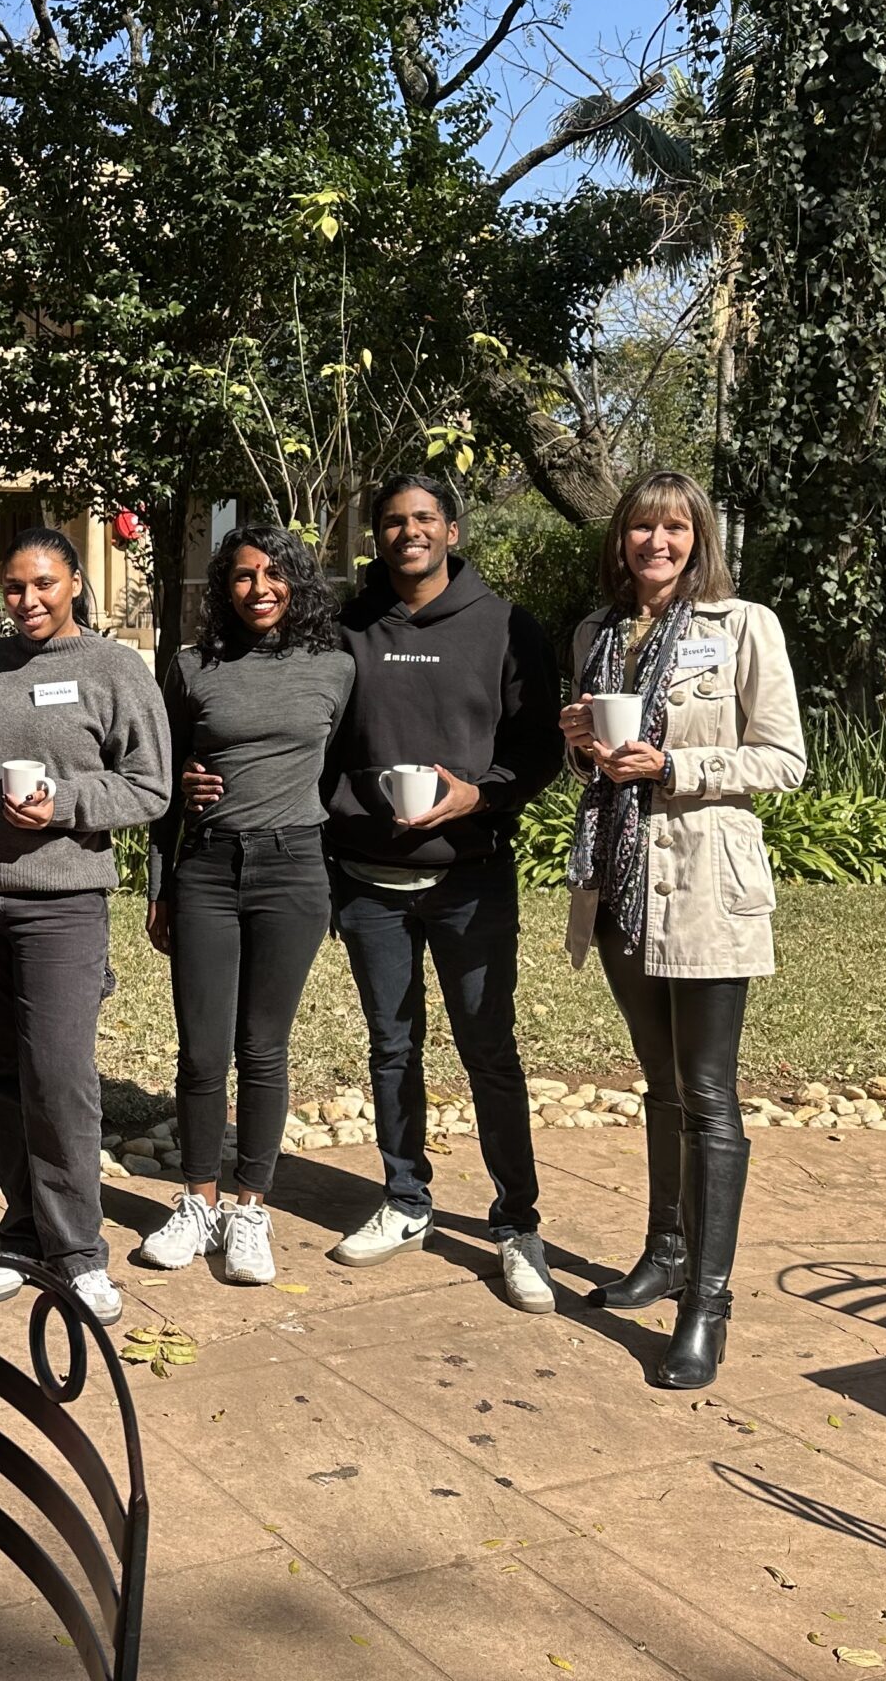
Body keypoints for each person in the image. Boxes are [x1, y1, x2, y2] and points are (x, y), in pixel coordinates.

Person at [563, 472, 804, 1389]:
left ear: (698, 538)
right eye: (640, 527)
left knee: (708, 1094)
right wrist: (580, 743)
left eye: (673, 528)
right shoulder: (595, 634)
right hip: (622, 886)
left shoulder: (742, 627)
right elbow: (596, 764)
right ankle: (664, 1252)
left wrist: (674, 766)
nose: (655, 543)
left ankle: (707, 1303)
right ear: (620, 538)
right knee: (659, 1083)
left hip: (706, 882)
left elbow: (783, 759)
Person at [316, 473, 564, 1310]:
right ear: (377, 536)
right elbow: (317, 741)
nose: (409, 532)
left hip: (471, 879)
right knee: (392, 1047)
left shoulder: (504, 626)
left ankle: (517, 1223)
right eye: (393, 521)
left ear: (452, 531)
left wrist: (477, 797)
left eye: (425, 518)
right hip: (368, 880)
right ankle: (405, 1200)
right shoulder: (346, 627)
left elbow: (538, 749)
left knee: (488, 1050)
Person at [0, 528, 172, 1327]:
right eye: (13, 586)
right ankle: (21, 1235)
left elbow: (151, 787)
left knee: (60, 1079)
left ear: (74, 580)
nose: (28, 599)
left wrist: (66, 803)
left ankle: (77, 1254)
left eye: (43, 583)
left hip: (63, 903)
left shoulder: (113, 668)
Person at [140, 526, 351, 1285]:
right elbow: (161, 779)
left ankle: (249, 1210)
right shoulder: (192, 666)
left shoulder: (335, 666)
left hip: (294, 870)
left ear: (298, 580)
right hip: (206, 868)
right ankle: (197, 1203)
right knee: (201, 1050)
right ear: (223, 587)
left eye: (273, 574)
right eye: (241, 576)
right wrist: (160, 883)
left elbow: (343, 775)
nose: (258, 589)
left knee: (263, 1047)